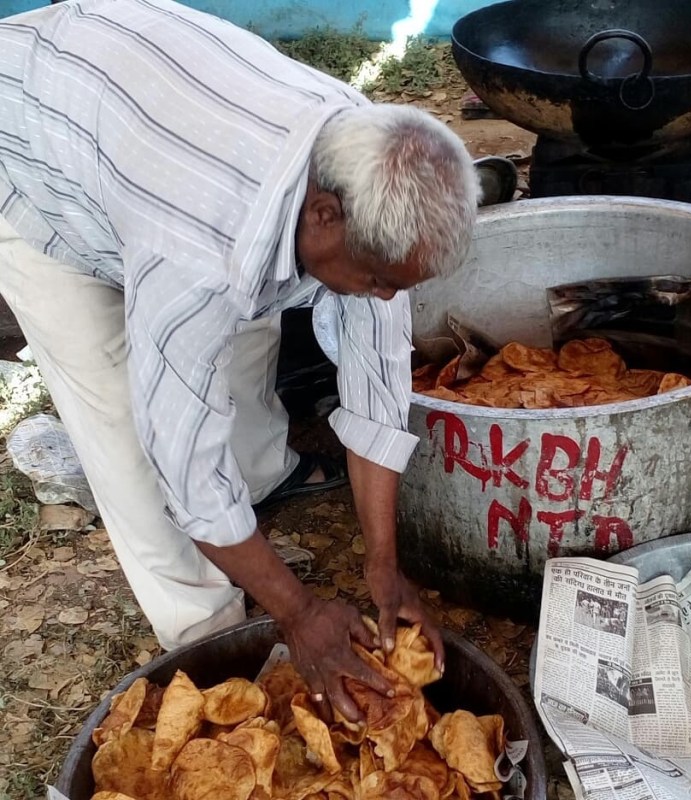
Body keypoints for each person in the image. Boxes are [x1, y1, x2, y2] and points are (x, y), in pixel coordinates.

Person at [0, 0, 480, 721]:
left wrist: (384, 565)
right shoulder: (196, 252)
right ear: (323, 215)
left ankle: (261, 474)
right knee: (126, 422)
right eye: (379, 278)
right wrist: (297, 610)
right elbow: (184, 463)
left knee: (247, 330)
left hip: (138, 116)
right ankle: (207, 628)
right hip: (37, 155)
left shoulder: (363, 155)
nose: (386, 296)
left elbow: (377, 377)